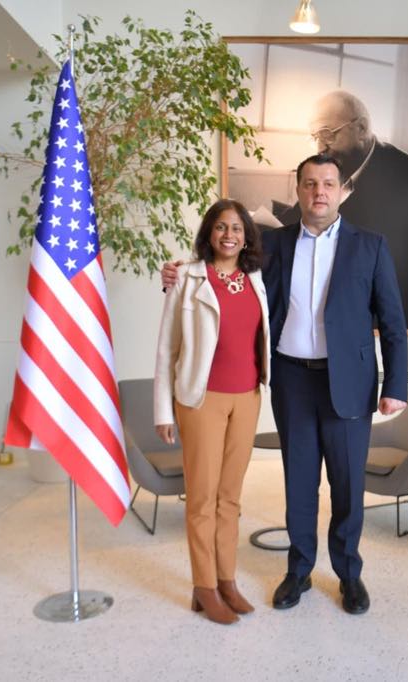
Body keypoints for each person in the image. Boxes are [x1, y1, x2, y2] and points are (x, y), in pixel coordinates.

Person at [163, 154, 408, 615]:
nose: (319, 192)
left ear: (342, 191)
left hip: (348, 384)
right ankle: (299, 570)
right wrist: (177, 276)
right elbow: (222, 270)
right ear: (298, 190)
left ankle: (348, 573)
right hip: (291, 379)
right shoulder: (271, 245)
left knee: (347, 485)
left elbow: (393, 322)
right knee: (299, 482)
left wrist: (395, 384)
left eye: (328, 183)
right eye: (310, 183)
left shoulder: (371, 246)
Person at [153, 199, 271, 626]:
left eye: (237, 228)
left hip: (247, 399)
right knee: (202, 498)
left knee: (230, 498)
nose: (229, 235)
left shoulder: (254, 279)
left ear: (247, 237)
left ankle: (226, 580)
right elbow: (167, 348)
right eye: (221, 227)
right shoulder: (186, 277)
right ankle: (204, 587)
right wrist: (162, 411)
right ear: (209, 233)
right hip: (201, 401)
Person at [279, 90, 408, 330]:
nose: (320, 147)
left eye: (328, 135)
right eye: (315, 137)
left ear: (361, 129)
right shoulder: (336, 170)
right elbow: (296, 218)